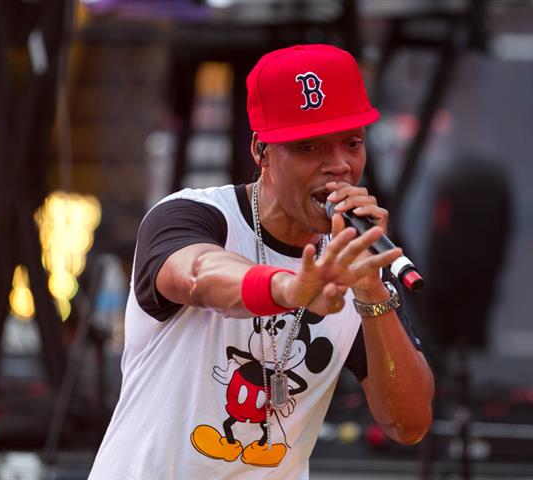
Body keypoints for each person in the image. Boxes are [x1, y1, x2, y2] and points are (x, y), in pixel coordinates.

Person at [88, 44, 434, 479]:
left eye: (352, 143)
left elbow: (409, 424)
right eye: (309, 146)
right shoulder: (192, 216)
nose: (340, 166)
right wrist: (287, 288)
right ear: (261, 151)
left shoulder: (358, 261)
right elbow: (199, 274)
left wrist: (371, 290)